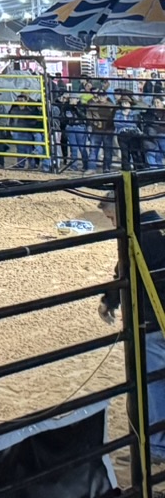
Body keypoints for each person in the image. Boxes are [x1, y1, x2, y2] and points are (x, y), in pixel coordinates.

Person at [100, 194, 165, 470]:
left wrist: (108, 300)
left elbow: (124, 274)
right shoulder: (158, 227)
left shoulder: (137, 238)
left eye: (111, 217)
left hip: (152, 321)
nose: (112, 223)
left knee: (153, 384)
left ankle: (157, 447)